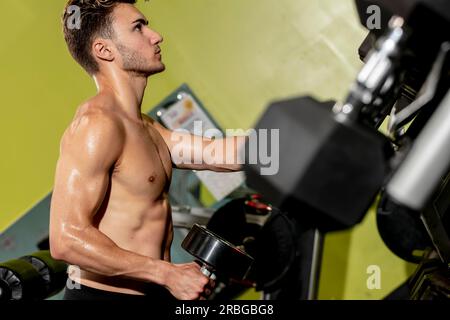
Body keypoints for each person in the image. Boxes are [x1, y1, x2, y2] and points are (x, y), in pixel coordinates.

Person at [50, 0, 246, 301]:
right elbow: (65, 239)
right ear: (105, 50)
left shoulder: (148, 128)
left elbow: (220, 155)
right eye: (138, 28)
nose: (156, 36)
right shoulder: (97, 125)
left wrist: (305, 139)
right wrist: (168, 274)